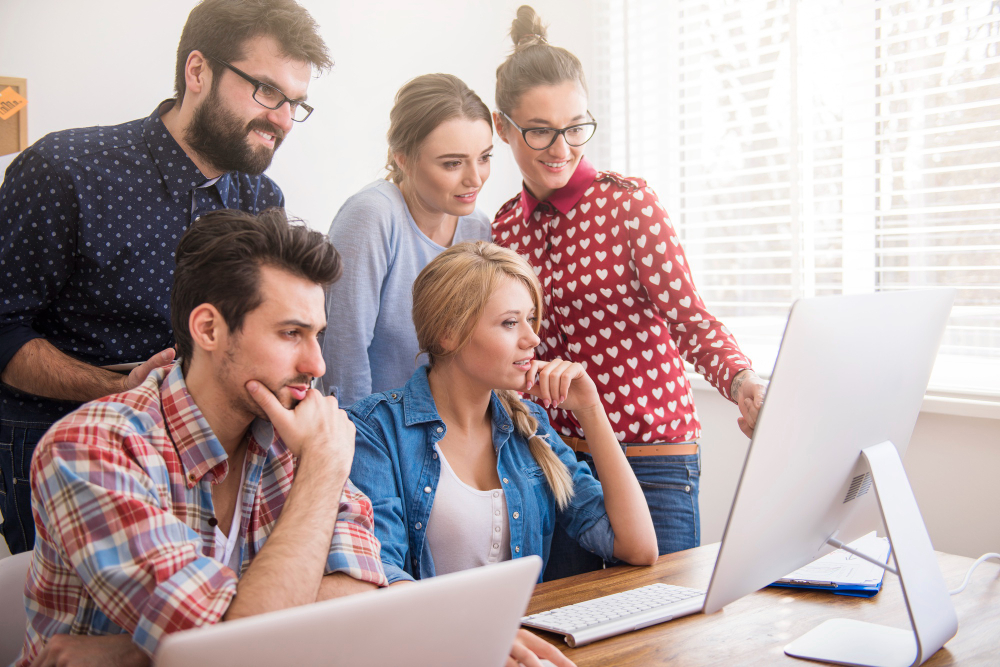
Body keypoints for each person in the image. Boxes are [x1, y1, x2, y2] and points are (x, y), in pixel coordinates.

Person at [0, 0, 331, 555]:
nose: (280, 118)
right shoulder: (67, 170)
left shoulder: (261, 200)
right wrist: (118, 387)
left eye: (294, 103)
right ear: (197, 72)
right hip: (71, 453)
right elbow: (3, 331)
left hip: (216, 457)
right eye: (267, 91)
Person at [16, 209, 387, 667]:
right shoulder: (90, 448)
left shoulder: (297, 431)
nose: (317, 365)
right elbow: (240, 657)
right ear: (208, 329)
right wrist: (323, 471)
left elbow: (363, 596)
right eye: (291, 333)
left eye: (318, 336)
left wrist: (142, 655)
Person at [491, 6, 769, 579]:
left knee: (662, 633)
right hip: (559, 466)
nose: (562, 148)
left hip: (653, 458)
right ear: (503, 128)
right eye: (540, 130)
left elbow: (690, 319)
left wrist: (741, 382)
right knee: (571, 631)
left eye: (575, 127)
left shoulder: (628, 205)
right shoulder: (504, 229)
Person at [349, 241, 658, 667]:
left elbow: (637, 546)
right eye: (510, 322)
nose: (533, 339)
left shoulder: (529, 425)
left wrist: (591, 410)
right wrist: (476, 636)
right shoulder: (375, 428)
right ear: (449, 332)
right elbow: (379, 574)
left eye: (531, 319)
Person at [321, 73, 493, 407]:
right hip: (377, 435)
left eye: (485, 157)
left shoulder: (477, 227)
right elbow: (343, 359)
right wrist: (363, 448)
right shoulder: (371, 217)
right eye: (453, 163)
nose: (475, 178)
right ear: (403, 158)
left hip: (445, 430)